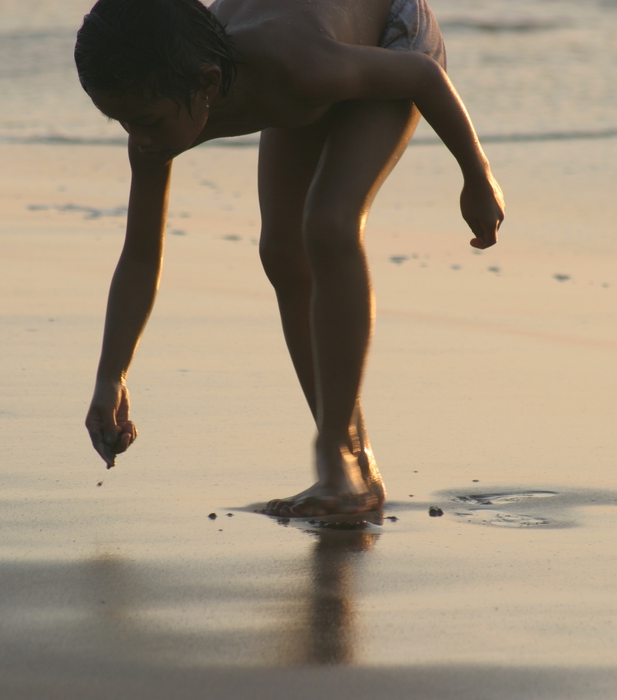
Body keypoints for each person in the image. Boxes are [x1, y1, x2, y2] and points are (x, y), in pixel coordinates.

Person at [76, 0, 505, 517]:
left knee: (328, 224)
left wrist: (476, 176)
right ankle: (354, 464)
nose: (137, 137)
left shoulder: (294, 68)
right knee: (282, 252)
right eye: (120, 120)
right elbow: (141, 256)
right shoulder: (174, 102)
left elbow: (421, 75)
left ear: (208, 86)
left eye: (146, 120)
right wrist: (111, 375)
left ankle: (336, 462)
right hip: (316, 46)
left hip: (392, 35)